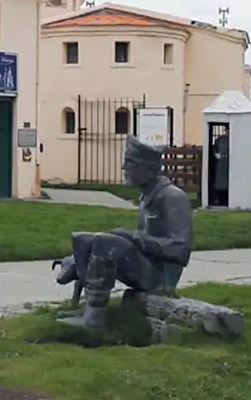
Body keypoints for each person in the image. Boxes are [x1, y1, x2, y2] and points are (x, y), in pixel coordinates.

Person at [53, 136, 193, 330]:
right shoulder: (147, 195)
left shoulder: (172, 197)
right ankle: (79, 287)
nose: (123, 168)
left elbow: (180, 249)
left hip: (160, 277)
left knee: (105, 242)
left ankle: (95, 317)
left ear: (151, 170)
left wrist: (135, 238)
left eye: (131, 164)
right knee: (83, 238)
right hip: (147, 263)